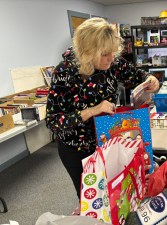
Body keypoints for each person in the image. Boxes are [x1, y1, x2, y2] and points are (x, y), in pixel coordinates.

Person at [45, 17, 159, 215]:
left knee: (117, 194)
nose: (111, 58)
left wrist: (150, 80)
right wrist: (92, 110)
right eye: (105, 54)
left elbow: (136, 75)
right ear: (88, 52)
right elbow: (53, 121)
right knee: (93, 201)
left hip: (106, 142)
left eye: (113, 52)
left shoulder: (112, 63)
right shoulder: (64, 72)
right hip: (77, 149)